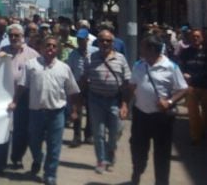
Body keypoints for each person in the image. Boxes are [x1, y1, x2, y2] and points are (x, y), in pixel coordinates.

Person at [9, 35, 80, 185]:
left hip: (57, 113)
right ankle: (37, 158)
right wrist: (15, 101)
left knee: (54, 146)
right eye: (48, 45)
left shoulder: (64, 68)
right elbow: (22, 86)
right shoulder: (31, 65)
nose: (51, 49)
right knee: (34, 143)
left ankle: (50, 174)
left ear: (58, 49)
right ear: (41, 48)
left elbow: (72, 91)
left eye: (54, 46)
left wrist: (74, 111)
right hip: (36, 112)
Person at [129, 35, 188, 185]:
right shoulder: (139, 65)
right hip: (141, 115)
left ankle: (161, 182)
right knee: (137, 149)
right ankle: (137, 172)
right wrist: (127, 101)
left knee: (162, 154)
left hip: (161, 118)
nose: (140, 49)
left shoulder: (171, 67)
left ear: (151, 49)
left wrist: (169, 101)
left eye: (142, 46)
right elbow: (133, 85)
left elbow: (183, 89)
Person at [0, 23, 40, 174]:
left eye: (17, 35)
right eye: (11, 35)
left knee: (22, 131)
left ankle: (16, 157)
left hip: (24, 98)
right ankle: (0, 162)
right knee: (2, 130)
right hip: (3, 97)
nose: (14, 38)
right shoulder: (2, 51)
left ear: (22, 37)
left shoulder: (32, 54)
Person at [87, 29, 131, 173]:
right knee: (98, 133)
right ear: (97, 42)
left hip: (114, 100)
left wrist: (124, 104)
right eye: (102, 40)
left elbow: (126, 83)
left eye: (108, 41)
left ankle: (110, 153)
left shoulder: (121, 59)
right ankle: (101, 160)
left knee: (116, 131)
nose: (105, 43)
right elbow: (84, 79)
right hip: (95, 100)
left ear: (113, 42)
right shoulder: (92, 57)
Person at [66, 28, 98, 147]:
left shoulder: (94, 51)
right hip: (78, 85)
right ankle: (76, 136)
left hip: (91, 85)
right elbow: (69, 70)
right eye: (78, 40)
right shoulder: (73, 54)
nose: (80, 42)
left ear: (87, 40)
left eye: (82, 40)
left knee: (91, 111)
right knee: (77, 111)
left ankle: (89, 134)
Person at [179, 29, 207, 145]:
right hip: (190, 87)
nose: (195, 38)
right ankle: (195, 136)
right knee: (193, 113)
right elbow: (180, 66)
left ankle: (203, 131)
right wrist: (183, 73)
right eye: (193, 36)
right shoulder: (185, 52)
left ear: (202, 38)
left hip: (205, 86)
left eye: (198, 36)